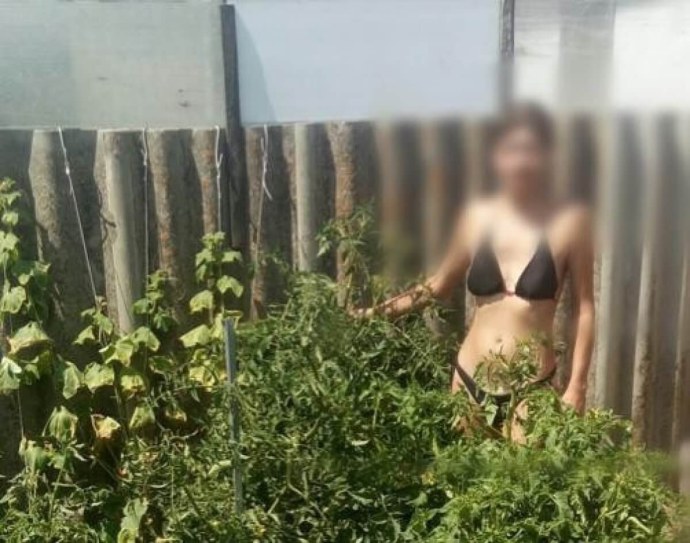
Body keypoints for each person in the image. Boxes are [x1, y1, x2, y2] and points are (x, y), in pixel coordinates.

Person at [355, 103, 595, 432]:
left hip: (530, 387)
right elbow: (438, 285)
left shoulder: (571, 222)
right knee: (462, 466)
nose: (521, 161)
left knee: (525, 466)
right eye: (511, 150)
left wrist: (577, 386)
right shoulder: (476, 217)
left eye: (530, 150)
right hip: (468, 380)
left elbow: (585, 308)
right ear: (497, 157)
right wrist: (372, 314)